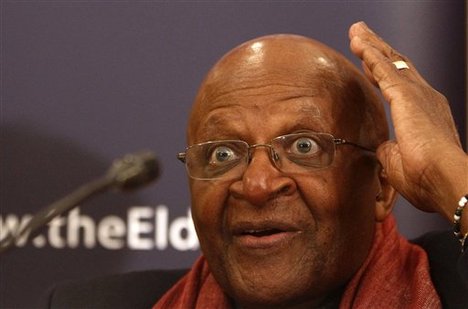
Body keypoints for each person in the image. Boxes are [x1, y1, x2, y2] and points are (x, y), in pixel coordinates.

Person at [43, 22, 467, 308]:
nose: (258, 184)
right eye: (223, 154)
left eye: (303, 145)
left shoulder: (453, 286)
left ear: (380, 186)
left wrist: (447, 173)